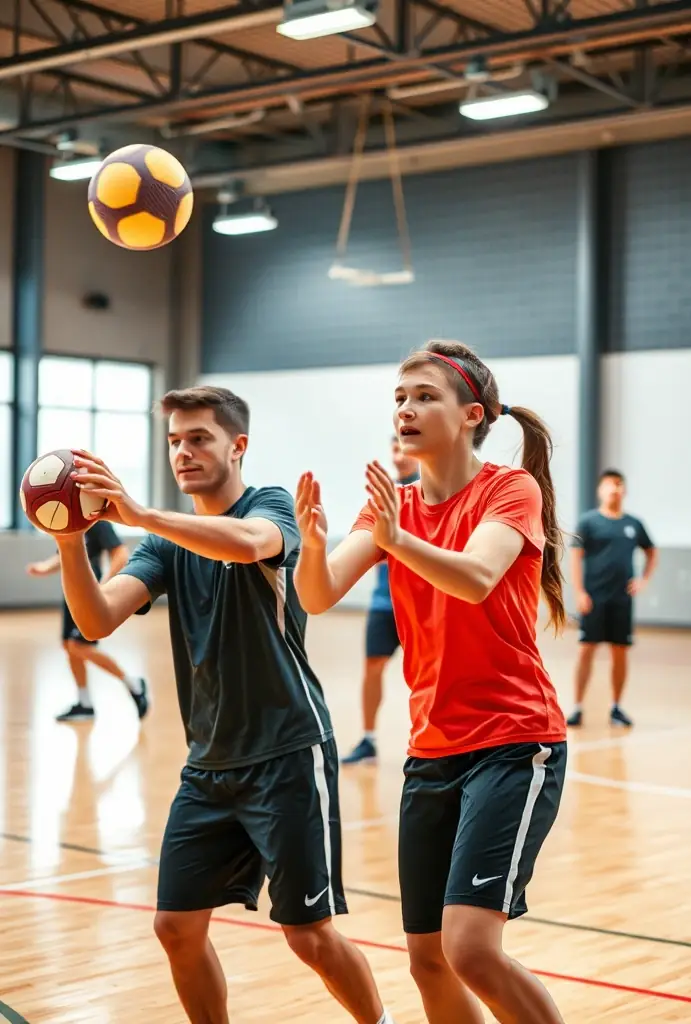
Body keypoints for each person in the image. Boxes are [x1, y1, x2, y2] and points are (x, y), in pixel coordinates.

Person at [52, 385, 396, 1024]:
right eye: (175, 442)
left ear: (237, 446)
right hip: (209, 763)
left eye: (199, 438)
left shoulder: (268, 507)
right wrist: (72, 540)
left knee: (308, 936)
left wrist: (140, 512)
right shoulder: (162, 545)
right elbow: (96, 619)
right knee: (176, 928)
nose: (183, 452)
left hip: (289, 752)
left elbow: (247, 543)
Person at [294, 340, 568, 1024]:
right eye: (399, 398)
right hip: (432, 749)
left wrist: (395, 539)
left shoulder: (511, 489)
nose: (406, 410)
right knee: (427, 959)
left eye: (424, 397)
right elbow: (319, 595)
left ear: (473, 414)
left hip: (513, 741)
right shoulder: (394, 509)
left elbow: (476, 578)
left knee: (471, 947)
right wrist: (316, 545)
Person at [342, 436, 419, 765]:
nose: (398, 455)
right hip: (383, 603)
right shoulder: (385, 497)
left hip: (419, 604)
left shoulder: (431, 493)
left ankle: (431, 740)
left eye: (404, 449)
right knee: (372, 668)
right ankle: (369, 740)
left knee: (425, 674)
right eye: (394, 449)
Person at [26, 521, 149, 723]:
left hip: (90, 591)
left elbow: (120, 554)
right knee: (68, 645)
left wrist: (104, 587)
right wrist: (43, 568)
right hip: (72, 591)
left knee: (78, 645)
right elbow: (63, 556)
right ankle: (85, 703)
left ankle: (133, 684)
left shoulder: (97, 522)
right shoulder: (67, 523)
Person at [567, 468, 657, 729]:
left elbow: (652, 551)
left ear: (624, 490)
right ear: (600, 490)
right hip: (594, 598)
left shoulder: (633, 524)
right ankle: (577, 707)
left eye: (619, 485)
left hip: (621, 599)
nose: (614, 490)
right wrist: (580, 592)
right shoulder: (589, 522)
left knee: (620, 651)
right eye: (609, 485)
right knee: (586, 650)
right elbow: (575, 557)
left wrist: (644, 580)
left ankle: (616, 707)